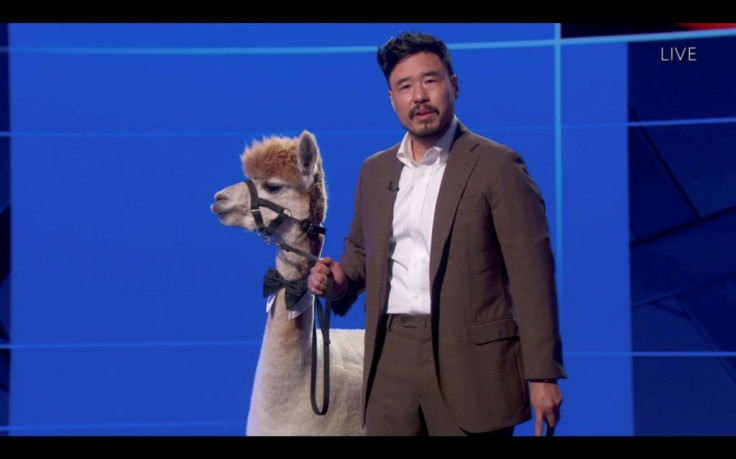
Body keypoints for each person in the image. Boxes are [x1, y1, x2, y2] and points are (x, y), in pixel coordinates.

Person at [308, 31, 566, 436]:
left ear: (454, 85)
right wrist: (338, 280)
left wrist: (543, 375)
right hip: (390, 358)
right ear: (392, 99)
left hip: (472, 365)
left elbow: (532, 277)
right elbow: (360, 254)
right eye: (404, 86)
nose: (419, 96)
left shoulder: (497, 166)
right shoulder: (374, 172)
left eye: (430, 80)